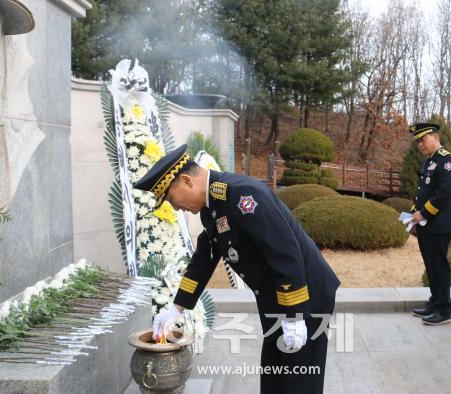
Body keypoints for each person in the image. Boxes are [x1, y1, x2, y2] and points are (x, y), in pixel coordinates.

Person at [133, 144, 340, 394]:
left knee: (299, 377)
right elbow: (203, 260)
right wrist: (176, 308)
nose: (175, 208)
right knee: (275, 372)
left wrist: (295, 317)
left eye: (171, 199)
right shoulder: (211, 207)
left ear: (186, 181)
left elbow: (286, 256)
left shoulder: (244, 197)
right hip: (275, 296)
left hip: (305, 294)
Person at [408, 123, 451, 325]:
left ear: (435, 137)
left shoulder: (447, 162)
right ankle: (435, 301)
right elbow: (423, 192)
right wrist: (414, 211)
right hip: (426, 224)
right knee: (431, 266)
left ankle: (444, 309)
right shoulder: (430, 162)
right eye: (418, 141)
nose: (420, 144)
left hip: (439, 225)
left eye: (423, 139)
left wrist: (424, 213)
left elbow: (443, 194)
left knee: (439, 267)